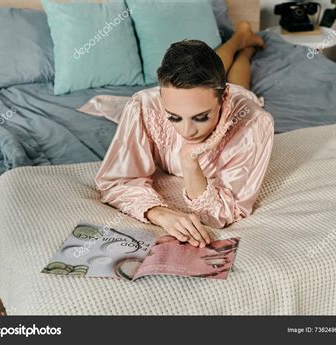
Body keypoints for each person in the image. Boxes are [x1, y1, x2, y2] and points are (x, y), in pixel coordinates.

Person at [95, 22, 274, 248]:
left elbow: (223, 214)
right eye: (174, 117)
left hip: (233, 96)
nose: (186, 131)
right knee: (210, 73)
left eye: (201, 117)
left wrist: (190, 162)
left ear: (224, 98)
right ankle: (239, 38)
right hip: (211, 88)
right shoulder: (143, 106)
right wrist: (160, 213)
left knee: (241, 84)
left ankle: (245, 49)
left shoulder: (254, 123)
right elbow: (116, 182)